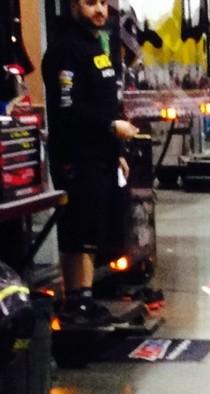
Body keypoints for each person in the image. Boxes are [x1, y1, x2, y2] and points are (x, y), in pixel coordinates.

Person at [42, 0, 139, 325]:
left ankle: (84, 296)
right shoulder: (65, 50)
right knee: (78, 228)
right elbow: (68, 108)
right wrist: (110, 127)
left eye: (102, 2)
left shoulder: (98, 45)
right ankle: (76, 301)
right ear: (73, 5)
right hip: (75, 155)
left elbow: (105, 101)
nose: (99, 10)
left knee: (94, 226)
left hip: (101, 154)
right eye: (89, 2)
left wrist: (117, 151)